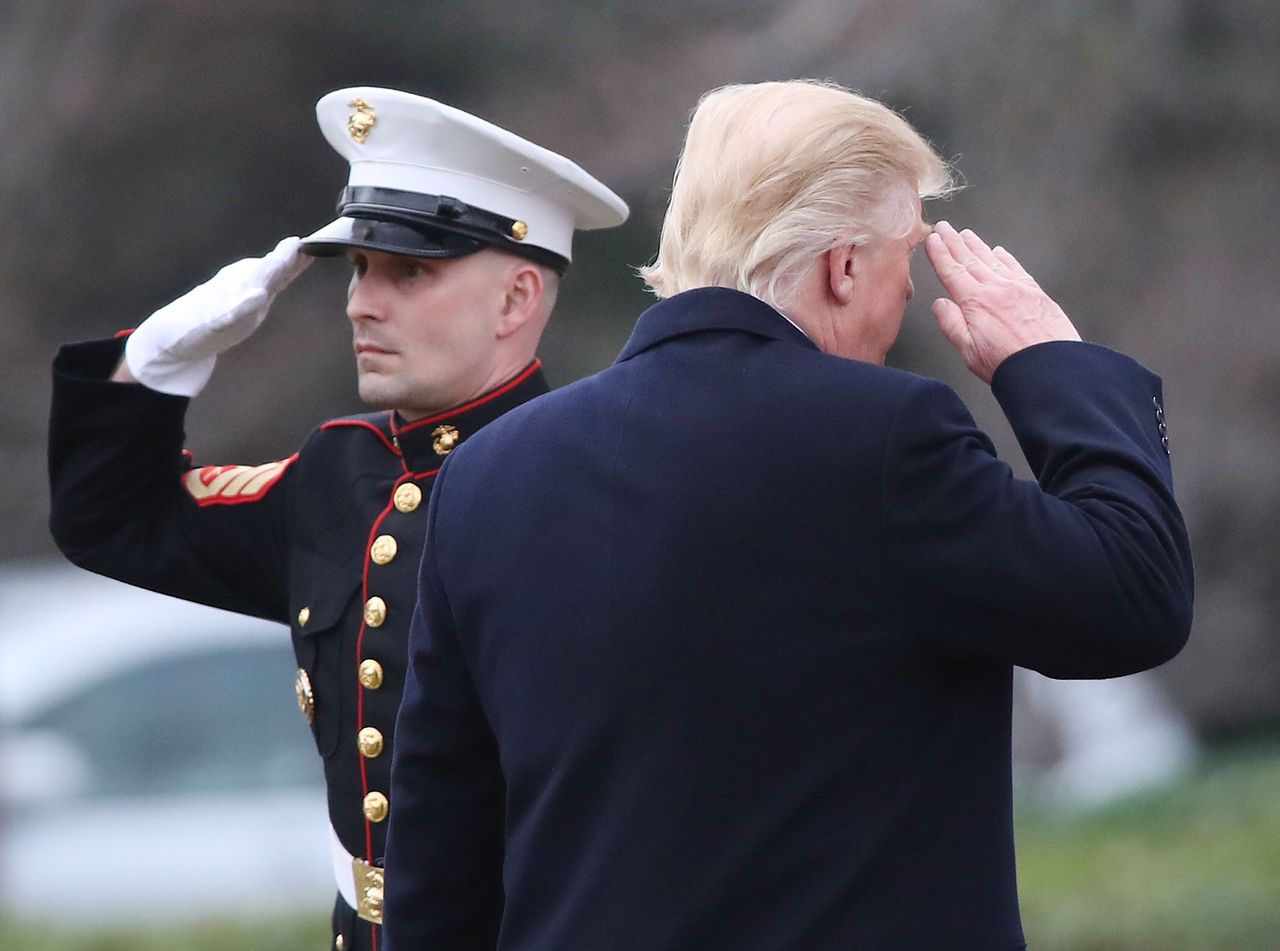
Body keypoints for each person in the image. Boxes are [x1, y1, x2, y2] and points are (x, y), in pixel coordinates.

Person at [382, 79, 1193, 950]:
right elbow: (1133, 596)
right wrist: (1052, 365)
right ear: (843, 266)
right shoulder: (883, 438)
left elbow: (439, 861)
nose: (909, 296)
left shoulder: (488, 474)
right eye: (903, 260)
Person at [47, 86, 627, 951]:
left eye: (409, 271)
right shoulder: (343, 471)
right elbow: (113, 519)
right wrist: (156, 362)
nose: (360, 304)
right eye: (357, 270)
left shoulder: (602, 478)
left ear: (514, 300)